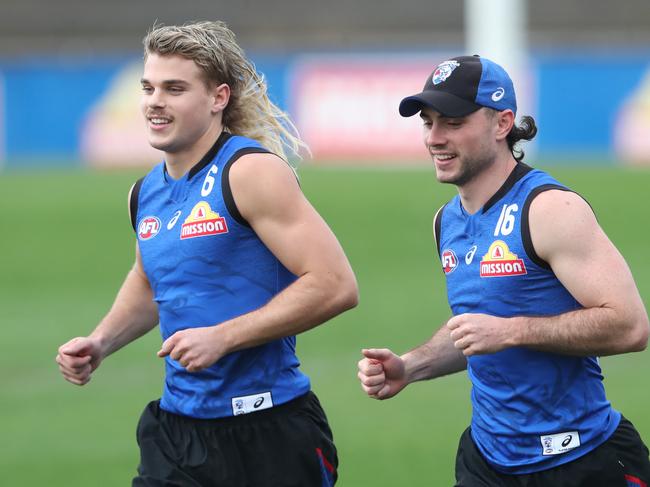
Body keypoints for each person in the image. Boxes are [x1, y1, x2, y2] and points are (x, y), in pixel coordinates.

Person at [56, 21, 358, 487]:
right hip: (177, 433)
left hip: (267, 430)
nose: (155, 101)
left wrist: (224, 337)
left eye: (174, 89)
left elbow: (335, 285)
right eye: (149, 87)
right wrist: (101, 342)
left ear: (218, 98)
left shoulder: (250, 171)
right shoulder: (145, 192)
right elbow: (148, 279)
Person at [357, 55, 650, 486]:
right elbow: (478, 329)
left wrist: (512, 331)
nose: (434, 138)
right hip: (488, 462)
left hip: (580, 459)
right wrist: (411, 366)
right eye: (428, 122)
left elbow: (630, 327)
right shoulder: (446, 221)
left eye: (452, 123)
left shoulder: (550, 209)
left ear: (502, 123)